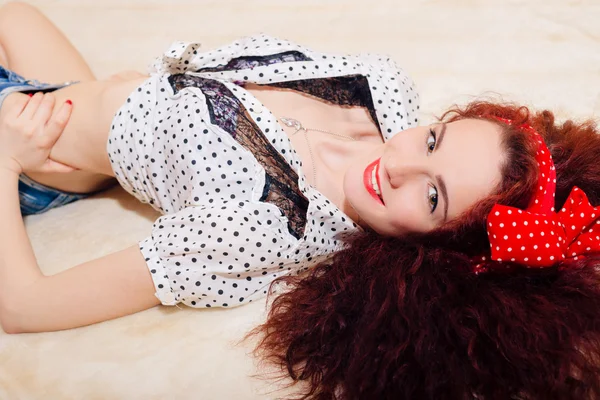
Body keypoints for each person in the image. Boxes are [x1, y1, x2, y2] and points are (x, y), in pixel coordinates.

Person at [0, 3, 599, 398]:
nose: (399, 164)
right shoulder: (381, 87)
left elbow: (24, 307)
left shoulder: (264, 227)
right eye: (435, 140)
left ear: (435, 249)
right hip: (59, 96)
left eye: (433, 195)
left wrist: (7, 157)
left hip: (31, 152)